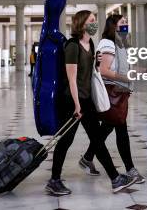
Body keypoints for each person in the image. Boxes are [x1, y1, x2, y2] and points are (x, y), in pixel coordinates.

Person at [45, 10, 136, 196]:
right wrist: (77, 106)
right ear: (82, 24)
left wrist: (96, 63)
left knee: (97, 140)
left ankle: (115, 179)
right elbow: (71, 79)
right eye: (92, 21)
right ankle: (54, 180)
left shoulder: (91, 44)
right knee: (65, 141)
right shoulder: (72, 46)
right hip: (72, 101)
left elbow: (89, 73)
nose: (95, 23)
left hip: (86, 100)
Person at [80, 14, 145, 184]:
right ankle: (130, 170)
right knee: (120, 128)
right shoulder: (108, 43)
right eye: (122, 23)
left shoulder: (120, 44)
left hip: (118, 92)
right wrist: (127, 78)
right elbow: (104, 70)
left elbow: (125, 67)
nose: (126, 25)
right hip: (111, 93)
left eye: (126, 22)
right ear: (113, 26)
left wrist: (142, 70)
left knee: (108, 127)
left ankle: (87, 158)